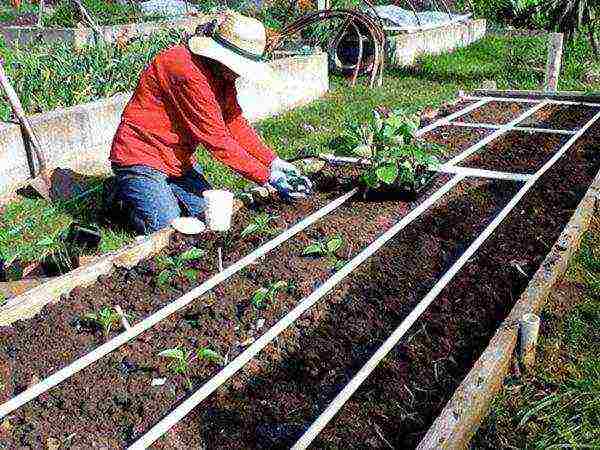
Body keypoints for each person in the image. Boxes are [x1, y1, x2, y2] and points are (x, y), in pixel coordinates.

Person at [109, 9, 312, 234]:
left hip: (178, 161)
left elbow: (234, 122)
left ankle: (145, 192)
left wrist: (273, 162)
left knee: (206, 216)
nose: (240, 73)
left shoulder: (221, 75)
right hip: (141, 156)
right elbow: (217, 140)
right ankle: (124, 198)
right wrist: (266, 177)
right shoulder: (187, 72)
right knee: (168, 228)